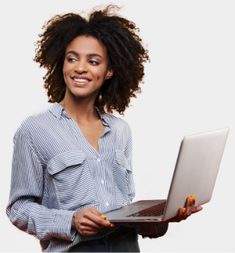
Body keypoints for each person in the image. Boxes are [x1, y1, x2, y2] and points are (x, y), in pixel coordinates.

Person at [6, 5, 202, 252]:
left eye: (94, 61)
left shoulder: (121, 131)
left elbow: (124, 207)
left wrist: (161, 218)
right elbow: (19, 207)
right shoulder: (35, 130)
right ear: (62, 63)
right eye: (72, 58)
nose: (80, 68)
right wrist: (70, 220)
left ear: (109, 71)